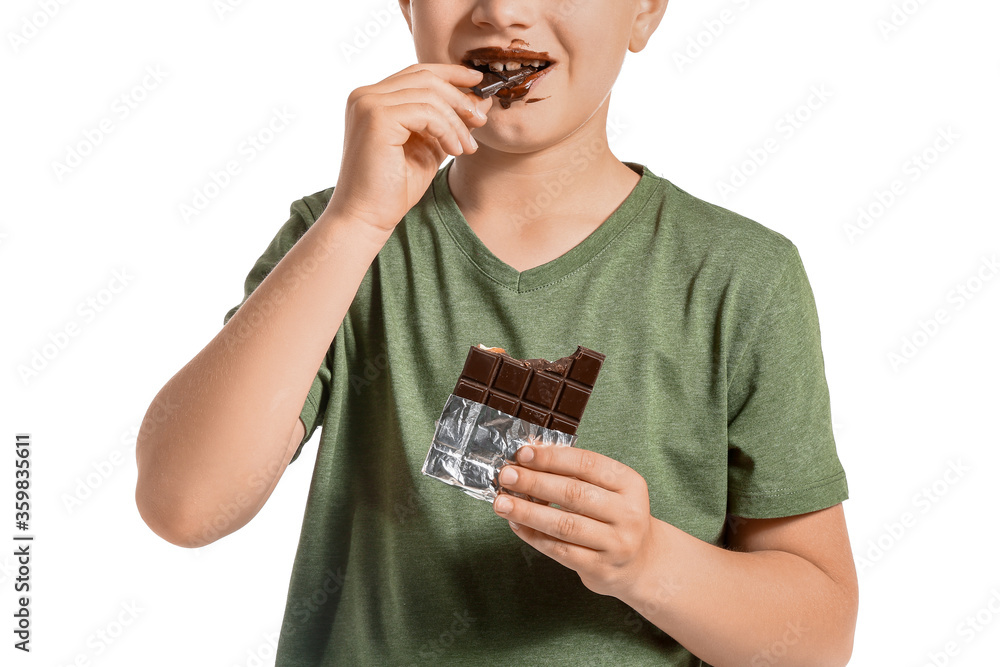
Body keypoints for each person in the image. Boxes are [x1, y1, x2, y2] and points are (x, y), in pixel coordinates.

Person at [135, 1, 858, 664]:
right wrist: (356, 221)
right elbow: (184, 503)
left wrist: (645, 560)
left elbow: (818, 638)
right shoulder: (341, 241)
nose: (504, 10)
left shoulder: (740, 277)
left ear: (643, 12)